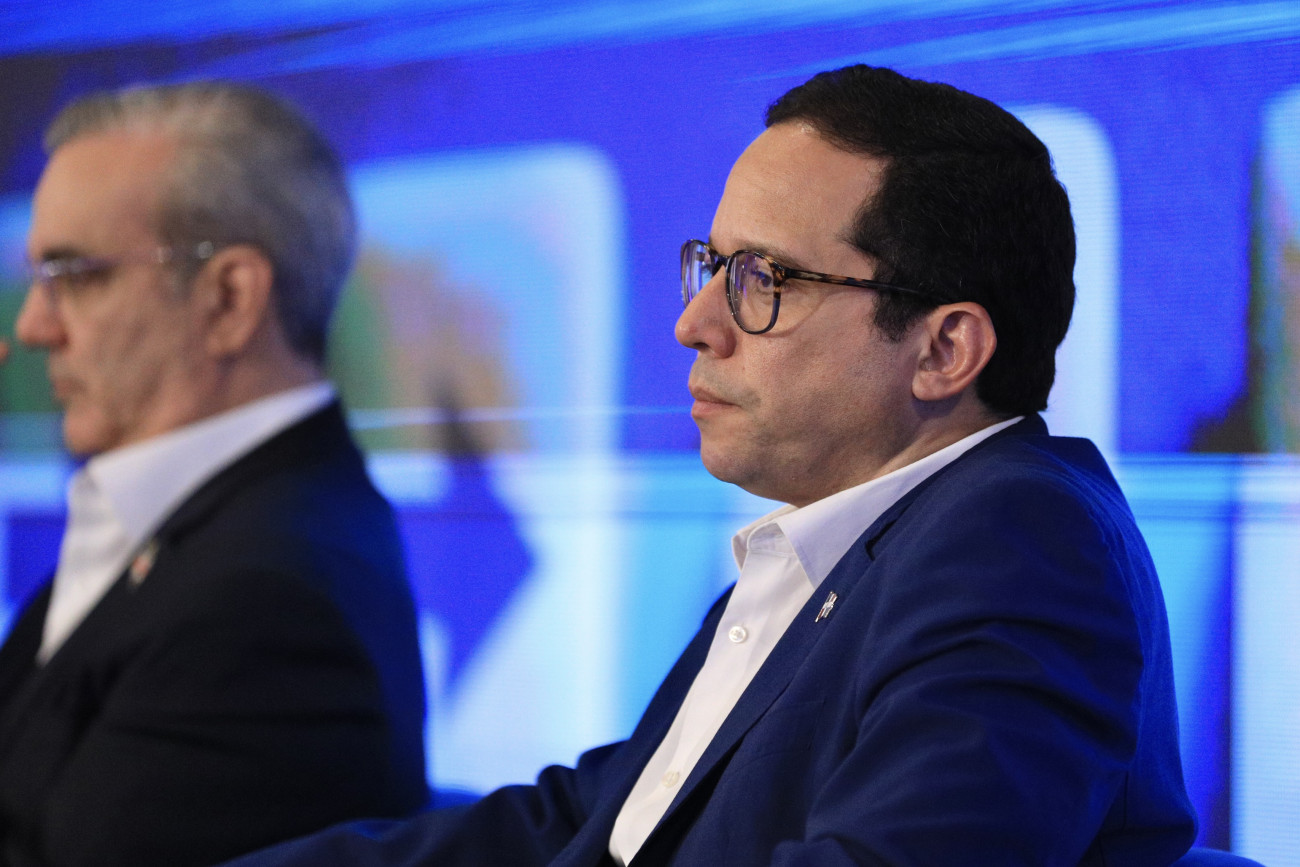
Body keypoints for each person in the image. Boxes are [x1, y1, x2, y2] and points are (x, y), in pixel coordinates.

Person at [227, 64, 1197, 866]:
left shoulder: (1020, 545)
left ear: (943, 350)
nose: (695, 324)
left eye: (765, 280)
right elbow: (599, 822)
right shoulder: (850, 549)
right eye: (714, 265)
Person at [0, 82, 429, 867]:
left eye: (76, 274)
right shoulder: (196, 526)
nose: (33, 326)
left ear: (228, 299)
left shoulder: (274, 600)